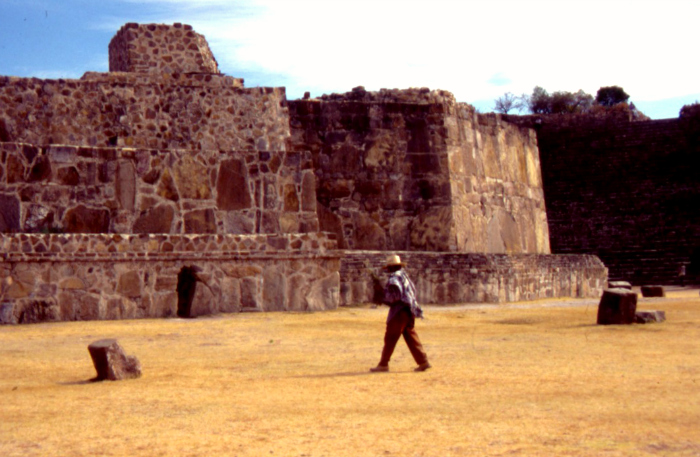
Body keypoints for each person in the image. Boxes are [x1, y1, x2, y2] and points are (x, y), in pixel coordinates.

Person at [370, 254, 431, 373]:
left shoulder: (394, 278)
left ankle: (383, 364)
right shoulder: (405, 276)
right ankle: (423, 361)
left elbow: (395, 297)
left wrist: (382, 296)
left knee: (390, 337)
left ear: (392, 267)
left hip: (400, 312)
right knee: (410, 336)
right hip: (409, 310)